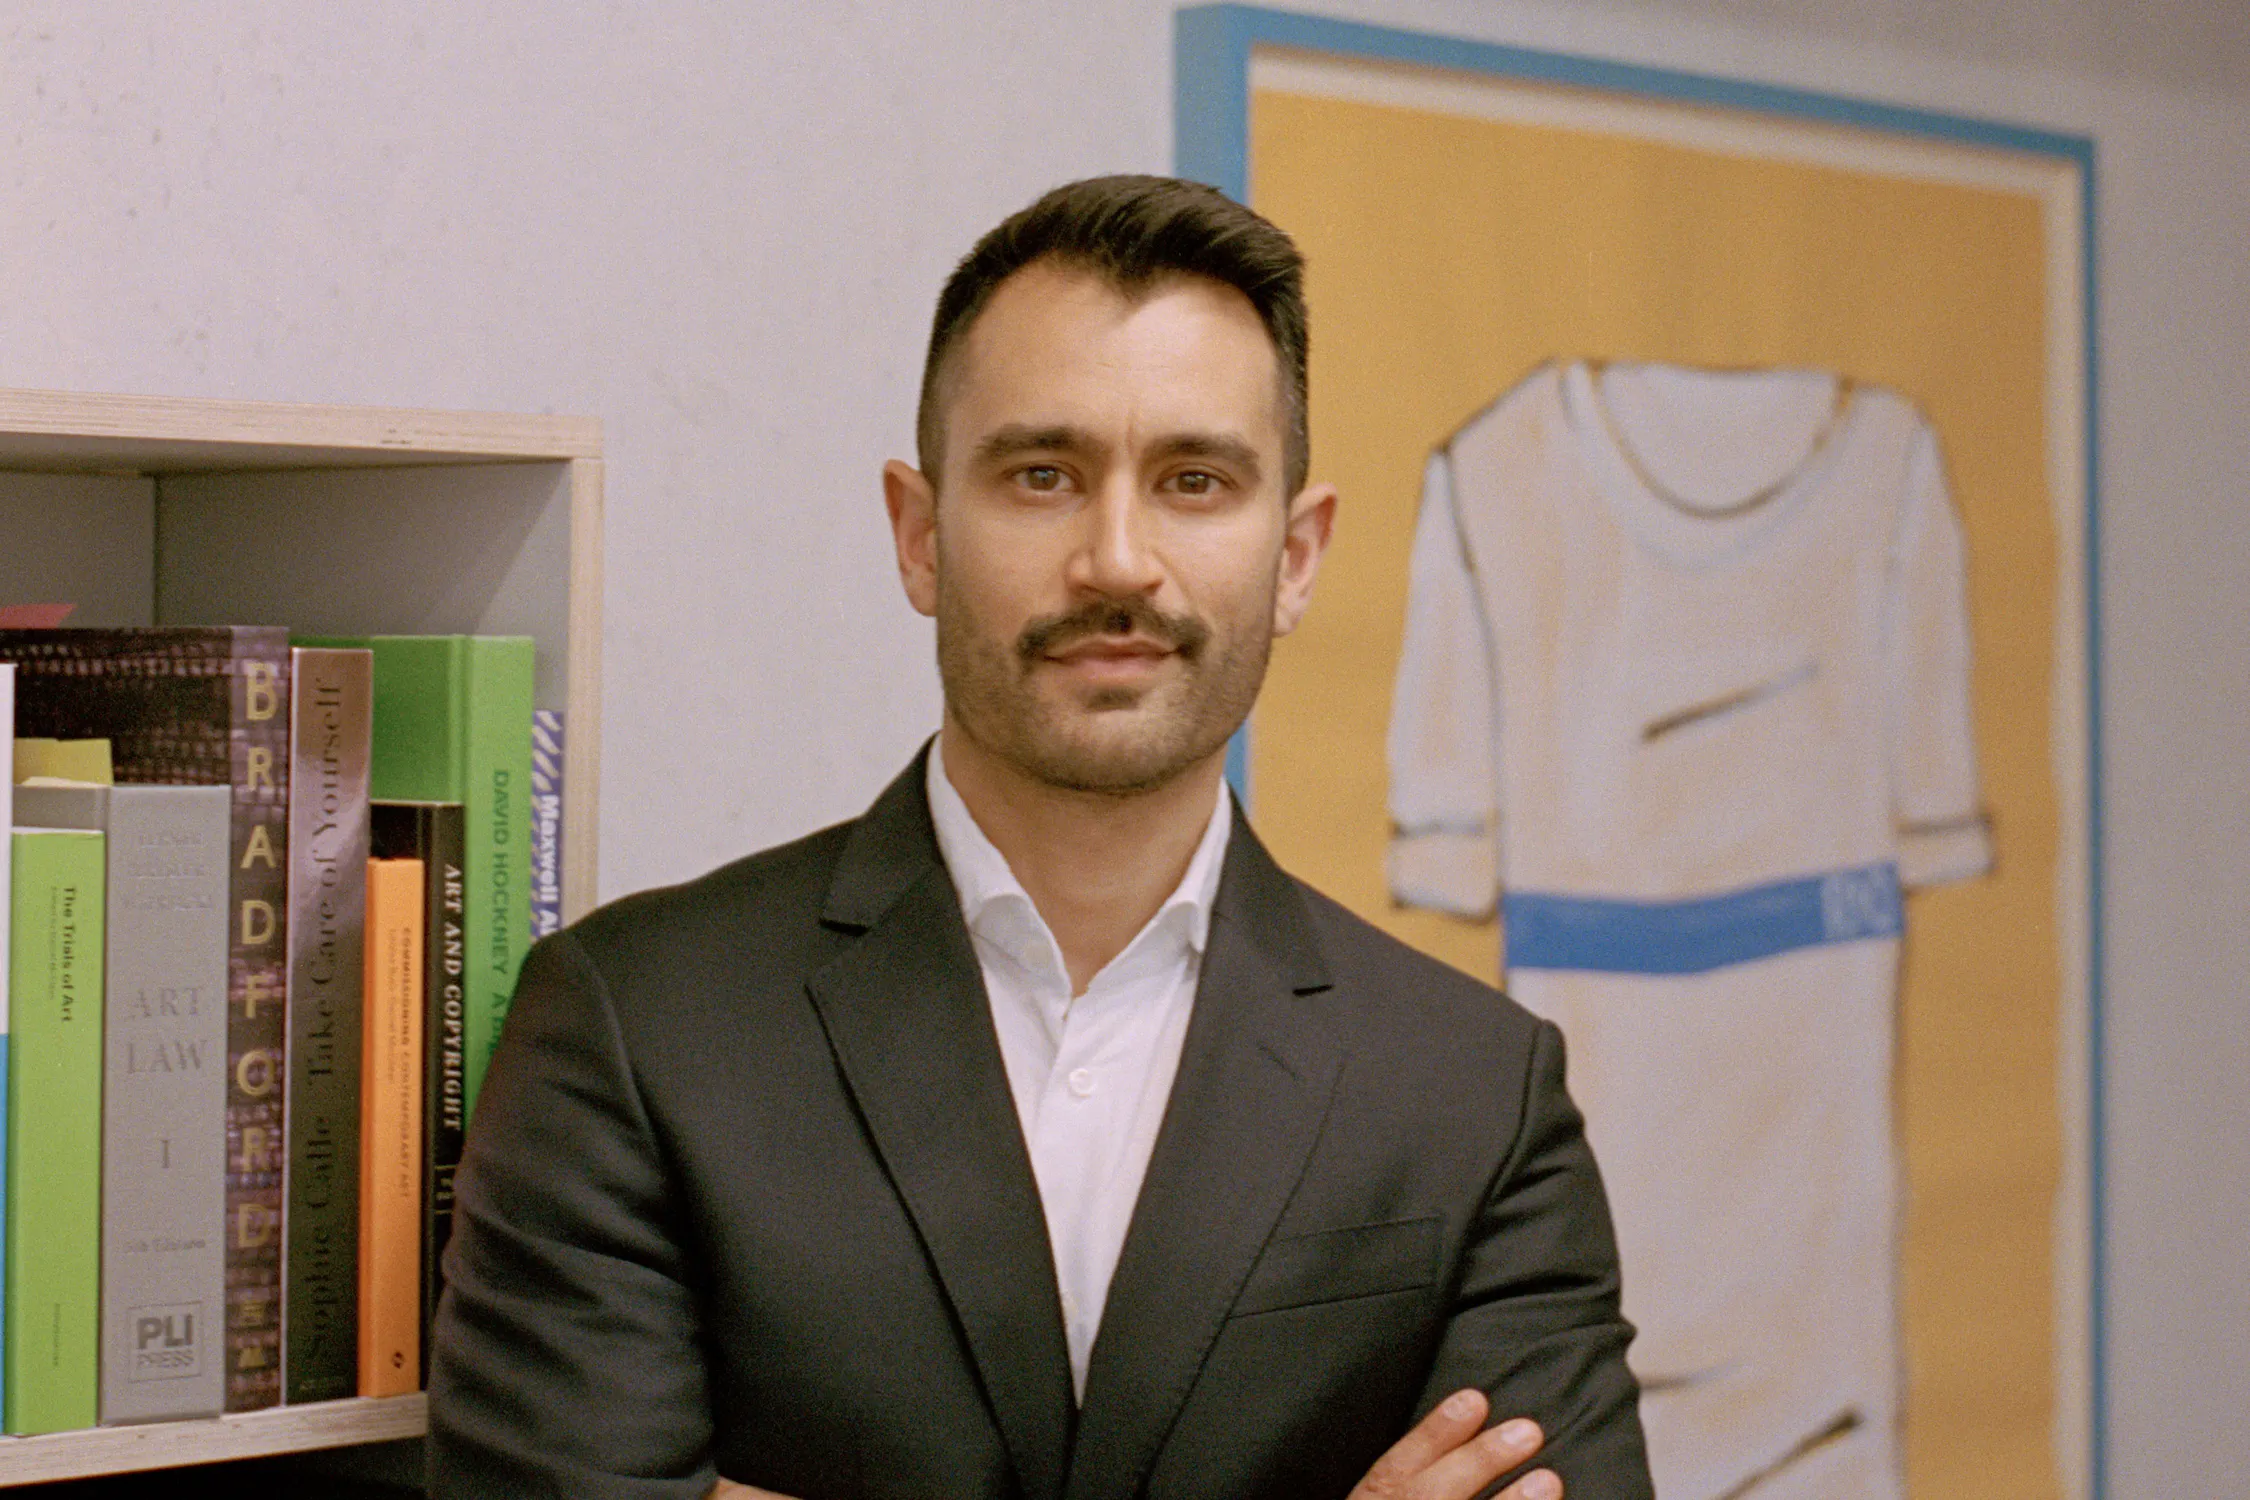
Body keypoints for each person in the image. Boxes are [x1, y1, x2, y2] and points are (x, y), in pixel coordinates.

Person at [428, 175, 1653, 1500]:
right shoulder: (635, 1028)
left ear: (1296, 556)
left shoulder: (1474, 1095)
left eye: (1194, 481)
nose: (1117, 560)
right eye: (1042, 476)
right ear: (920, 537)